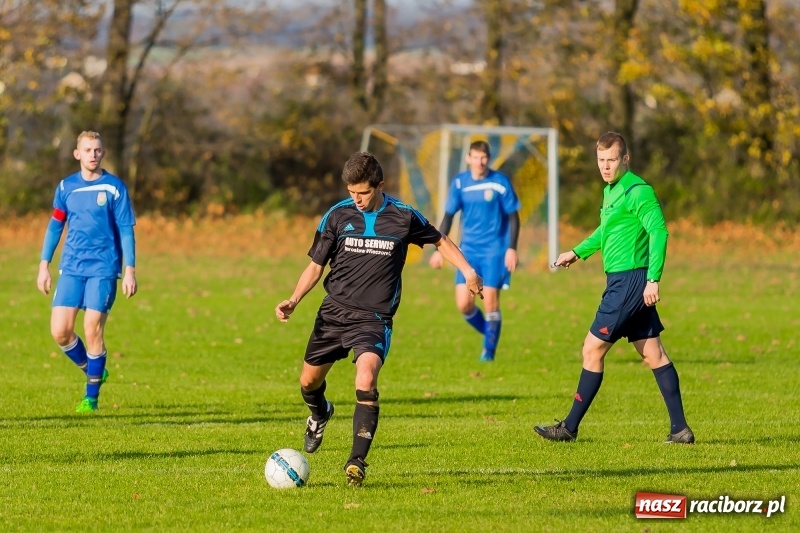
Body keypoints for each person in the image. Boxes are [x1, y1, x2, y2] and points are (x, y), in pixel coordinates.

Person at [275, 152, 483, 486]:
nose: (356, 199)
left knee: (366, 378)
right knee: (308, 383)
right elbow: (316, 265)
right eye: (351, 191)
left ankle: (356, 462)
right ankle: (320, 413)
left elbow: (439, 240)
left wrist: (468, 271)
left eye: (363, 192)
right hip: (333, 313)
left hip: (374, 318)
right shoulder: (337, 215)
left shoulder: (403, 216)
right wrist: (294, 299)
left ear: (380, 186)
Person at [534, 131, 694, 444]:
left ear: (625, 159)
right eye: (601, 160)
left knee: (591, 349)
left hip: (629, 282)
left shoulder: (638, 191)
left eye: (612, 160)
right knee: (654, 354)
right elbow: (604, 232)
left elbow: (659, 232)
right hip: (624, 280)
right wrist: (576, 252)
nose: (606, 166)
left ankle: (568, 428)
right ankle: (680, 430)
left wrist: (653, 278)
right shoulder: (611, 190)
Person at [37, 131, 138, 413]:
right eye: (87, 150)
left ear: (103, 153)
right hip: (71, 267)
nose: (93, 154)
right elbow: (55, 225)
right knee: (60, 331)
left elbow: (126, 230)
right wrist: (43, 265)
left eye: (97, 150)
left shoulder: (114, 187)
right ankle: (94, 370)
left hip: (104, 268)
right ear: (77, 154)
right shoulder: (66, 187)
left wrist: (129, 270)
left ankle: (90, 398)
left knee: (92, 328)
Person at [428, 140, 520, 362]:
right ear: (468, 158)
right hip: (468, 250)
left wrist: (511, 248)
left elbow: (514, 217)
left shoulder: (500, 182)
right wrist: (438, 249)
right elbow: (449, 216)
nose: (480, 162)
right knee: (464, 304)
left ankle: (488, 352)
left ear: (488, 159)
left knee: (489, 301)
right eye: (476, 157)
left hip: (495, 250)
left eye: (484, 157)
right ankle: (491, 332)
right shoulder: (460, 183)